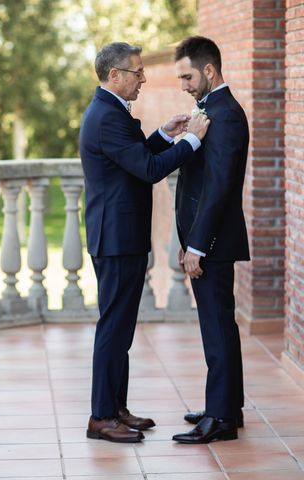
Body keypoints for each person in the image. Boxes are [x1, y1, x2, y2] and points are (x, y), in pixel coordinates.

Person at [80, 42, 210, 443]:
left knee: (121, 328)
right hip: (116, 239)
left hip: (123, 237)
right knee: (114, 328)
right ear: (114, 75)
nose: (143, 78)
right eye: (137, 72)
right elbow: (149, 170)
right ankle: (101, 417)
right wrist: (191, 141)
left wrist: (161, 134)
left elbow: (133, 155)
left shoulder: (111, 111)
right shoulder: (106, 116)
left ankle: (116, 408)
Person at [172, 36, 249, 444]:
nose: (183, 84)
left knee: (216, 327)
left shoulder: (226, 114)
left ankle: (220, 418)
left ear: (208, 70)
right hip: (208, 238)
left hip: (214, 241)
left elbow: (219, 187)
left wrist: (198, 244)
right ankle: (228, 406)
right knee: (220, 324)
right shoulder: (210, 111)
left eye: (187, 76)